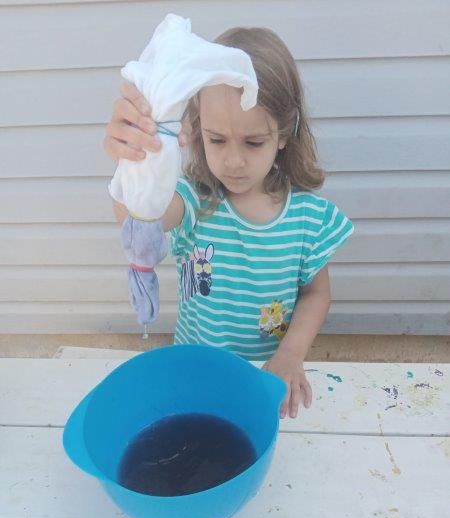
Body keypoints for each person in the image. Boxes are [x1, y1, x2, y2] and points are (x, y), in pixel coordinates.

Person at [103, 26, 354, 420]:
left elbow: (316, 293)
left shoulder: (308, 219)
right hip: (194, 375)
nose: (233, 162)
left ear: (284, 133)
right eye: (217, 139)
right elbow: (139, 218)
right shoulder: (194, 201)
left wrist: (291, 354)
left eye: (253, 142)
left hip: (263, 382)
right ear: (196, 128)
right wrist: (133, 163)